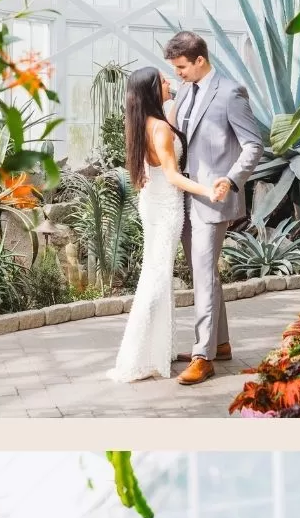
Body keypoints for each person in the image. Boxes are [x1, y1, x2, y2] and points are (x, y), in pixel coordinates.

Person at [164, 32, 265, 387]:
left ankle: (201, 357)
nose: (178, 74)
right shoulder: (186, 92)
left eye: (181, 67)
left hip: (214, 197)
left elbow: (254, 145)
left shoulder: (231, 93)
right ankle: (219, 344)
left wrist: (232, 179)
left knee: (203, 275)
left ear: (199, 61)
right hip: (186, 195)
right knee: (202, 272)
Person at [107, 67, 217, 385]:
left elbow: (171, 111)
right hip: (167, 207)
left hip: (151, 204)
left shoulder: (141, 123)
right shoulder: (161, 130)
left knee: (156, 275)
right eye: (164, 81)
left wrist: (180, 94)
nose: (170, 82)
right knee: (155, 281)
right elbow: (172, 175)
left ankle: (157, 352)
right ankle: (135, 357)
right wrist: (208, 189)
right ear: (153, 90)